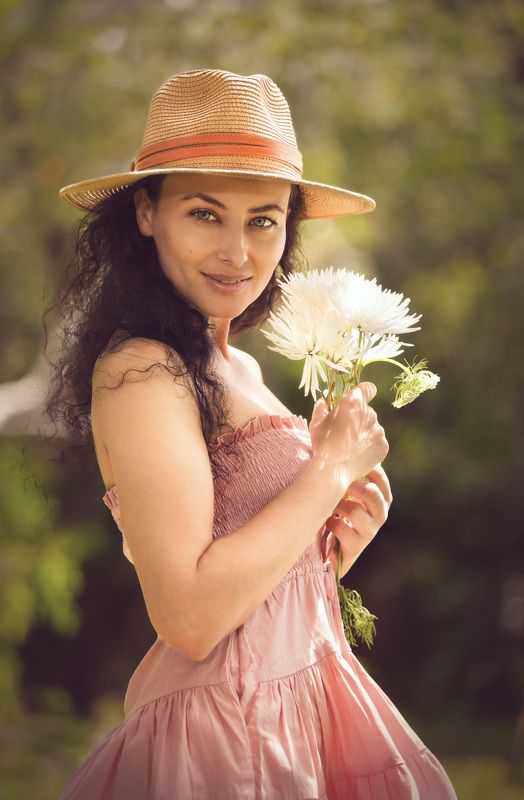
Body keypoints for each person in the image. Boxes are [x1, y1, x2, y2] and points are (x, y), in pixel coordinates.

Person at [51, 69, 457, 799]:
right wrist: (326, 472)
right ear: (147, 213)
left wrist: (329, 551)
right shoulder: (143, 371)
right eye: (205, 214)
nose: (238, 252)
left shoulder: (234, 365)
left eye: (263, 220)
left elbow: (250, 601)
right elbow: (191, 617)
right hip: (224, 744)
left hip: (300, 710)